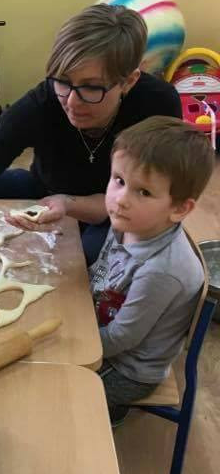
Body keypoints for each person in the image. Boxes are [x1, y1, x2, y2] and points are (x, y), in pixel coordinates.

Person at [0, 4, 182, 280]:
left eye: (91, 88)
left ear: (128, 81)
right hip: (45, 189)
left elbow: (148, 199)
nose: (71, 101)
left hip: (115, 208)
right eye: (62, 81)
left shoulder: (156, 105)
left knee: (87, 261)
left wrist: (70, 205)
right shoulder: (43, 102)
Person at [90, 116, 214, 424]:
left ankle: (111, 409)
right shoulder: (129, 223)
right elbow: (101, 270)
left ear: (179, 208)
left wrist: (75, 345)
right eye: (119, 180)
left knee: (60, 393)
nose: (121, 200)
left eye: (143, 192)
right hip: (104, 328)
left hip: (129, 370)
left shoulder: (162, 271)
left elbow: (122, 339)